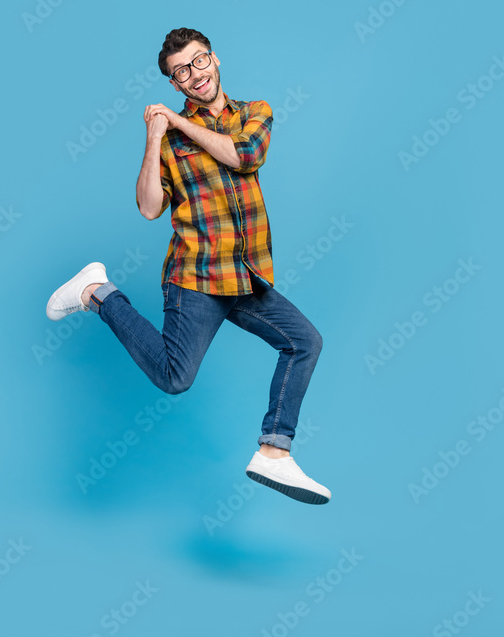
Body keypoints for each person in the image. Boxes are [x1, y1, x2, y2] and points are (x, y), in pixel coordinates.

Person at [46, 27, 330, 504]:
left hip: (243, 277)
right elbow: (149, 207)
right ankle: (98, 292)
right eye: (182, 71)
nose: (194, 74)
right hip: (195, 278)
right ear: (174, 85)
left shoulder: (253, 114)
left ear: (215, 60)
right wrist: (156, 135)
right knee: (175, 378)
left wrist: (179, 126)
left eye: (199, 62)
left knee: (305, 342)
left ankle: (274, 452)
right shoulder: (170, 140)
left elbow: (244, 155)